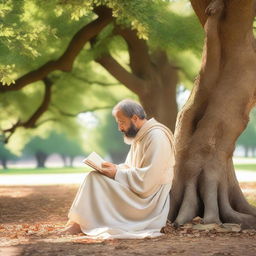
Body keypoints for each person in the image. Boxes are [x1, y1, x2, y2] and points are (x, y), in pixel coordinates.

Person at [61, 99, 175, 239]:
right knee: (96, 176)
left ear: (134, 118)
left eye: (122, 122)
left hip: (150, 199)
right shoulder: (142, 136)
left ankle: (79, 224)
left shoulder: (156, 136)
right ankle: (77, 223)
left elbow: (149, 179)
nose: (119, 128)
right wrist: (114, 168)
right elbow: (131, 167)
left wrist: (117, 173)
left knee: (94, 179)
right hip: (140, 189)